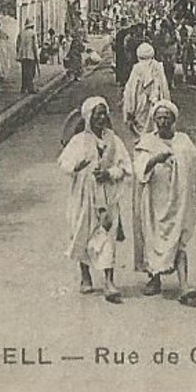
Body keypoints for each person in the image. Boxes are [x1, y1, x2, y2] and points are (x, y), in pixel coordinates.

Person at [132, 99, 196, 306]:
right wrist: (155, 159)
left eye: (167, 117)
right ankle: (155, 279)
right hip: (155, 200)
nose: (163, 121)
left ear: (174, 120)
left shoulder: (183, 141)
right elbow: (138, 168)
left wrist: (190, 183)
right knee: (155, 239)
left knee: (178, 241)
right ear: (154, 120)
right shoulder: (147, 142)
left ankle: (184, 285)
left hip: (179, 201)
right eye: (159, 117)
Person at [58, 97, 132, 303]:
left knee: (107, 236)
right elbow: (64, 162)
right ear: (88, 117)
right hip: (83, 196)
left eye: (103, 113)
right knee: (83, 232)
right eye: (96, 114)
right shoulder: (79, 140)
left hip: (107, 197)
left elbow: (126, 166)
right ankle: (85, 276)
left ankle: (109, 281)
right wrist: (76, 167)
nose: (100, 118)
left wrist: (110, 173)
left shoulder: (113, 140)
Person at [122, 42, 171, 138]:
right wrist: (166, 105)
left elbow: (131, 92)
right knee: (155, 129)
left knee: (141, 132)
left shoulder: (137, 68)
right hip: (156, 103)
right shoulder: (158, 67)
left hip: (140, 105)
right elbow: (165, 89)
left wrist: (129, 110)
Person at [17, 19, 40, 94]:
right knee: (31, 72)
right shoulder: (33, 33)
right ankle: (30, 88)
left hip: (23, 55)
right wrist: (37, 56)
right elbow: (35, 46)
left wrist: (19, 53)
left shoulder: (21, 33)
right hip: (31, 55)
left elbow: (17, 44)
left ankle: (23, 88)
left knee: (24, 72)